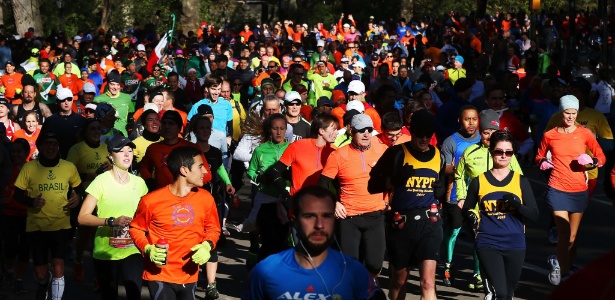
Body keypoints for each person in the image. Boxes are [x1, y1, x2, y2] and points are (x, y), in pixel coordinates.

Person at [247, 186, 379, 299]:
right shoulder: (266, 271)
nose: (319, 225)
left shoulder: (355, 273)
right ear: (294, 220)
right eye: (309, 216)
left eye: (327, 216)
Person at [367, 109, 445, 300]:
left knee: (428, 282)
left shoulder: (438, 156)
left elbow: (441, 186)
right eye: (420, 134)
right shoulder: (396, 153)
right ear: (412, 132)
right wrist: (394, 181)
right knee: (399, 280)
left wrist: (440, 193)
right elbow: (372, 185)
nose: (424, 139)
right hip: (402, 224)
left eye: (429, 134)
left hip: (429, 223)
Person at [129, 146, 221, 300]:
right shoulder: (151, 200)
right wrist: (147, 249)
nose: (205, 171)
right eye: (200, 166)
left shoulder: (206, 198)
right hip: (160, 274)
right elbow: (135, 228)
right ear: (184, 170)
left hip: (189, 274)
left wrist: (208, 245)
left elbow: (213, 228)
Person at [536, 95, 605, 285]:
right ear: (561, 112)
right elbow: (539, 155)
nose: (571, 117)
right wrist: (543, 162)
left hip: (578, 189)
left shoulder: (585, 133)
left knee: (573, 237)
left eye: (574, 113)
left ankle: (564, 263)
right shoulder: (550, 135)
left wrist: (592, 162)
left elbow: (601, 156)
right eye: (567, 113)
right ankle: (564, 273)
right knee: (564, 233)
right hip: (556, 188)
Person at [462, 130, 539, 300]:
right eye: (499, 151)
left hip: (515, 243)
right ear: (491, 152)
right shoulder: (479, 181)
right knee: (500, 293)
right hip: (488, 243)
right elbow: (466, 210)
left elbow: (534, 215)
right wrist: (474, 228)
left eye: (508, 152)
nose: (504, 156)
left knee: (509, 294)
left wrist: (518, 205)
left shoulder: (521, 181)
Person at [13, 131, 84, 300]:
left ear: (58, 147)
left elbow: (79, 189)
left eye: (54, 144)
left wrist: (78, 197)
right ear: (40, 147)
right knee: (40, 271)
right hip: (36, 225)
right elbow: (16, 195)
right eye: (47, 144)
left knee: (59, 265)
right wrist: (31, 202)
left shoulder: (68, 167)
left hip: (61, 224)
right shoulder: (29, 167)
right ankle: (43, 284)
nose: (51, 147)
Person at [77, 136, 147, 299]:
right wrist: (110, 221)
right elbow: (82, 217)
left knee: (134, 294)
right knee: (109, 296)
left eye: (129, 150)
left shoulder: (140, 183)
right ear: (110, 156)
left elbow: (147, 216)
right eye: (121, 151)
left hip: (133, 248)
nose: (126, 154)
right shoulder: (101, 181)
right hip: (106, 251)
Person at [318, 114, 387, 280]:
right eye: (361, 130)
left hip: (375, 215)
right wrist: (334, 203)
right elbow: (322, 184)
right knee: (350, 264)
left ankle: (369, 284)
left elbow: (394, 178)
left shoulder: (383, 151)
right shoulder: (338, 155)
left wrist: (389, 199)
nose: (366, 134)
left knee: (375, 264)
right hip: (349, 217)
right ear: (351, 131)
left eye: (369, 130)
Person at [185, 115, 235, 298]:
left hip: (212, 200)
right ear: (195, 131)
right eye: (201, 128)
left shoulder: (214, 151)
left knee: (211, 240)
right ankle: (190, 279)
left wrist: (228, 183)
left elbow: (220, 168)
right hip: (191, 201)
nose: (205, 131)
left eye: (208, 128)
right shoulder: (189, 151)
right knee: (192, 239)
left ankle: (211, 284)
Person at [439, 105, 481, 289]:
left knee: (479, 236)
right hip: (455, 194)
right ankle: (447, 266)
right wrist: (463, 167)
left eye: (474, 119)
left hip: (479, 196)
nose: (471, 123)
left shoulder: (485, 140)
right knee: (454, 231)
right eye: (467, 119)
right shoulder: (451, 141)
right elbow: (445, 168)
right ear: (459, 120)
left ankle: (478, 274)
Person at [246, 113, 291, 261]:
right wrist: (259, 178)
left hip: (286, 201)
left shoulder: (292, 148)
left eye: (282, 128)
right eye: (275, 128)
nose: (278, 132)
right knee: (268, 241)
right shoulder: (260, 150)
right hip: (266, 199)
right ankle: (261, 270)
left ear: (286, 130)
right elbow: (251, 171)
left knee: (282, 241)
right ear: (269, 130)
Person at [267, 113, 339, 197]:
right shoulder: (297, 146)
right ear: (321, 131)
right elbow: (275, 171)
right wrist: (285, 196)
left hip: (321, 203)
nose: (337, 132)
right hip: (298, 203)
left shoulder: (334, 151)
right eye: (334, 129)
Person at [140, 110, 212, 190]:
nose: (167, 127)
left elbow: (207, 174)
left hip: (188, 196)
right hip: (163, 196)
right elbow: (144, 167)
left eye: (171, 123)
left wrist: (191, 182)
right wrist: (149, 180)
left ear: (179, 128)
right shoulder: (153, 148)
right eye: (164, 123)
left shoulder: (191, 148)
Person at [1, 138, 30, 294]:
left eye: (19, 151)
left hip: (27, 215)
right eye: (13, 151)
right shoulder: (6, 170)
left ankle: (19, 280)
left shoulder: (31, 169)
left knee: (25, 250)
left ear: (26, 152)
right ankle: (9, 272)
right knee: (10, 248)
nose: (16, 154)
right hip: (9, 214)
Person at [43, 87, 86, 158]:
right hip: (56, 160)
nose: (66, 102)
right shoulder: (50, 121)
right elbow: (41, 143)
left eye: (69, 99)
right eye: (63, 100)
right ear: (57, 101)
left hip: (78, 159)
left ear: (72, 100)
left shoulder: (81, 121)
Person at [94, 70, 133, 137]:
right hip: (105, 137)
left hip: (122, 136)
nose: (115, 87)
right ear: (108, 84)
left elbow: (131, 115)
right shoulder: (98, 100)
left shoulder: (127, 98)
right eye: (112, 84)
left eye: (117, 84)